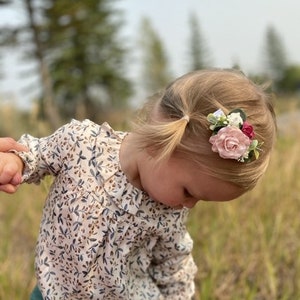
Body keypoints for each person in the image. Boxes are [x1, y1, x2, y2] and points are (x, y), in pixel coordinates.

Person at [0, 69, 277, 299]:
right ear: (163, 141)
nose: (189, 205)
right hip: (53, 292)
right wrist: (16, 163)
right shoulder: (82, 144)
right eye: (189, 192)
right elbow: (38, 153)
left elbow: (174, 266)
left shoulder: (169, 212)